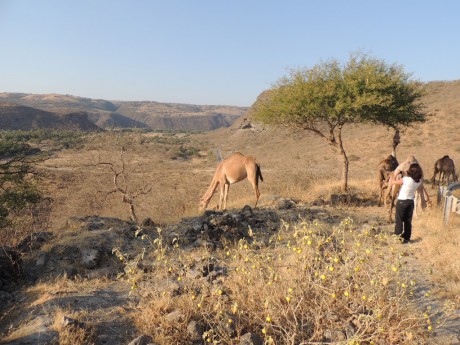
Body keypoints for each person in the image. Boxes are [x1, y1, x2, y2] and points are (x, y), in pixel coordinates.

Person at [391, 163, 431, 243]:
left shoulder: (406, 179)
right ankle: (406, 238)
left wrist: (395, 174)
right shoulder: (419, 181)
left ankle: (397, 237)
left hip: (402, 201)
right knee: (407, 221)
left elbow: (393, 182)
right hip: (410, 202)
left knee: (399, 220)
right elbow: (411, 178)